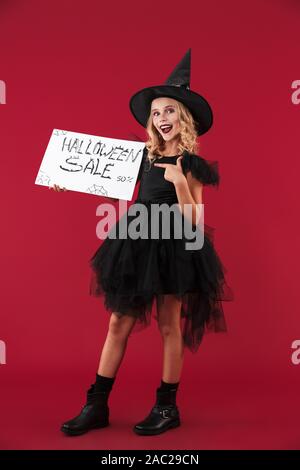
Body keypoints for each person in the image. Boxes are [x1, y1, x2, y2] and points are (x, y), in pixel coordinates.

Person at [51, 48, 233, 436]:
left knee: (170, 324)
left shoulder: (190, 164)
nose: (162, 118)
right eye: (156, 113)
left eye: (169, 111)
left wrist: (181, 182)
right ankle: (96, 404)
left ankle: (167, 407)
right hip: (137, 243)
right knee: (118, 321)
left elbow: (195, 220)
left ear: (183, 117)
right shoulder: (142, 156)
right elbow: (98, 174)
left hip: (174, 244)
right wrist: (64, 177)